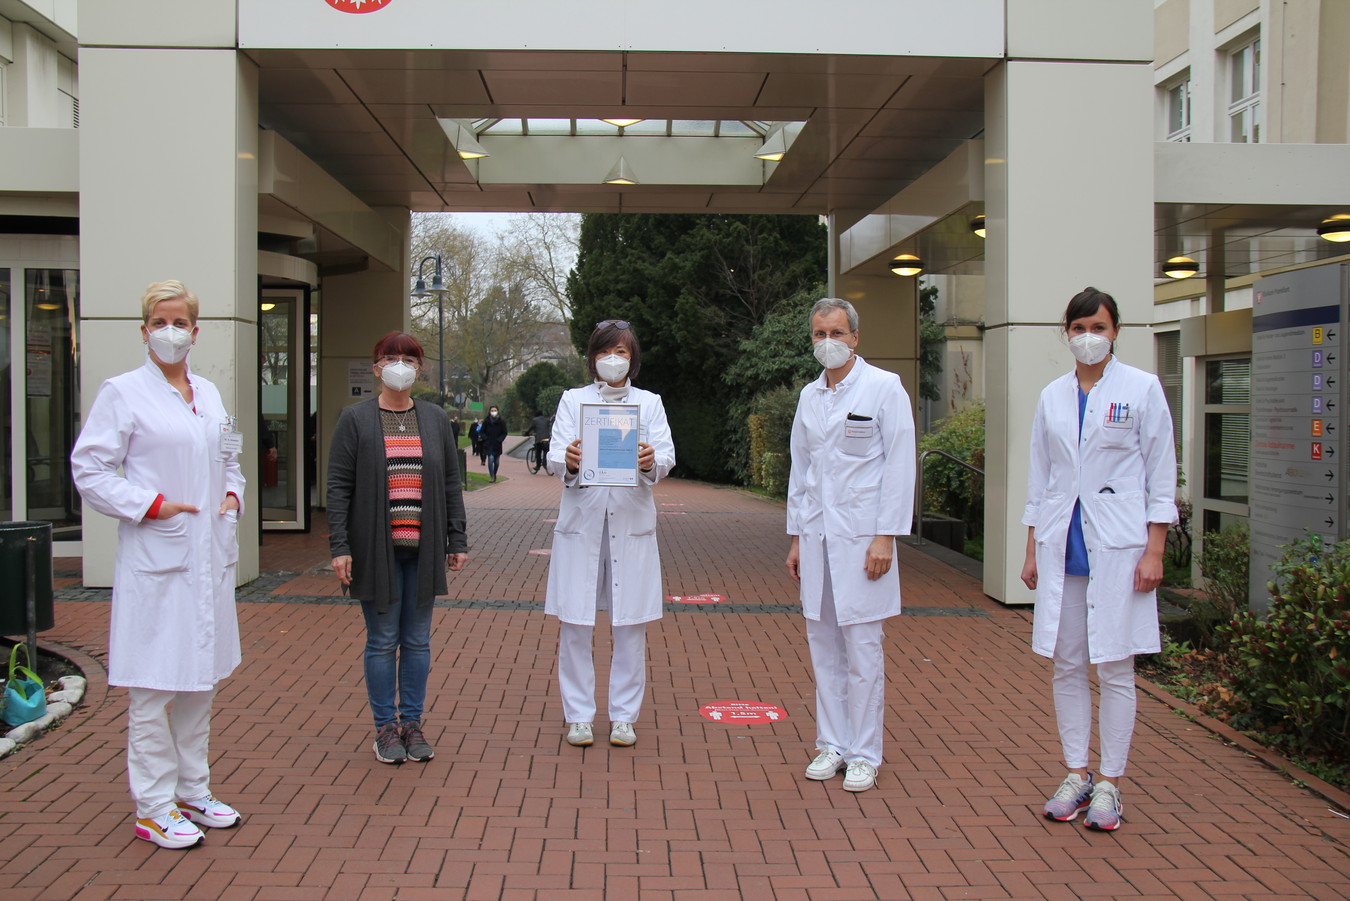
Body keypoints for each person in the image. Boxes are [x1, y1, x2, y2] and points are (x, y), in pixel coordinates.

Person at [71, 280, 245, 850]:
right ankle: (153, 805)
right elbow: (90, 471)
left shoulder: (211, 395)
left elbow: (230, 458)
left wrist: (233, 497)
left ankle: (194, 789)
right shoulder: (122, 393)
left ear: (196, 331)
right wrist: (149, 506)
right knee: (152, 688)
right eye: (159, 322)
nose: (171, 332)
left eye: (181, 322)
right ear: (144, 330)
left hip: (207, 560)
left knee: (199, 685)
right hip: (160, 556)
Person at [1021, 287, 1177, 832]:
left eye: (1100, 327)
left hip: (1121, 548)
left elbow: (1162, 473)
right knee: (1066, 664)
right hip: (1064, 546)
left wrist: (1155, 549)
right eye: (1080, 327)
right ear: (1066, 332)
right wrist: (1031, 547)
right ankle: (1076, 773)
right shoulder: (1052, 396)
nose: (1089, 336)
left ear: (1115, 332)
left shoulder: (1141, 389)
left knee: (1115, 666)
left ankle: (1110, 783)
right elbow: (1041, 478)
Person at [785, 297, 915, 793]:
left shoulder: (884, 388)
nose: (828, 343)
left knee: (863, 646)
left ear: (855, 338)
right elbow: (802, 472)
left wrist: (885, 536)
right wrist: (796, 538)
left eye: (837, 333)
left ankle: (864, 753)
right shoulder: (808, 396)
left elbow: (900, 467)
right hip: (817, 537)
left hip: (865, 540)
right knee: (823, 644)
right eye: (820, 334)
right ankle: (831, 743)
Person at [327, 332, 469, 765]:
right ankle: (385, 729)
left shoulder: (434, 418)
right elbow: (338, 488)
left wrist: (456, 537)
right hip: (377, 551)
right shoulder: (355, 419)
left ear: (420, 369)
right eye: (390, 358)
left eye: (409, 358)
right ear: (376, 368)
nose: (400, 365)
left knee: (418, 641)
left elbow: (450, 483)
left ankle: (412, 723)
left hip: (422, 551)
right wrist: (340, 546)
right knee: (383, 640)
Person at [544, 320, 675, 748]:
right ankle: (579, 715)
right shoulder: (573, 400)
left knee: (630, 625)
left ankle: (624, 716)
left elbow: (667, 456)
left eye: (620, 351)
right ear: (592, 358)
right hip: (582, 524)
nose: (612, 359)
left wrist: (650, 460)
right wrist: (569, 458)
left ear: (632, 357)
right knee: (576, 624)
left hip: (630, 522)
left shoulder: (649, 403)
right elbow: (554, 457)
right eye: (604, 352)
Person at [479, 405, 508, 481]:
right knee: (490, 459)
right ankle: (492, 476)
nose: (493, 412)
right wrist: (485, 438)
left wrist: (500, 440)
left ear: (497, 411)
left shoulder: (501, 421)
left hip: (497, 444)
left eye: (495, 410)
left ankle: (494, 474)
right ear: (489, 411)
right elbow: (482, 432)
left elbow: (504, 432)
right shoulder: (486, 421)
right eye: (492, 410)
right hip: (489, 444)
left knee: (497, 462)